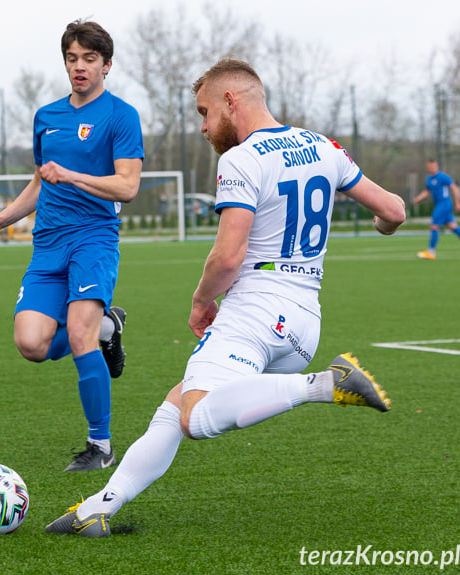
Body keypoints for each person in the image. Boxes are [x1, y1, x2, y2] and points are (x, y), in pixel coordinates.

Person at [46, 58, 406, 535]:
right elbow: (394, 210)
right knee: (175, 408)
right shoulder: (324, 147)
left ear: (231, 101)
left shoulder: (242, 157)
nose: (203, 126)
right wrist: (383, 226)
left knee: (194, 417)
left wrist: (200, 302)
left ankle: (324, 384)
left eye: (205, 112)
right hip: (303, 322)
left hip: (255, 311)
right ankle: (97, 510)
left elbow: (228, 256)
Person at [0, 20, 144, 471]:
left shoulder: (121, 115)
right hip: (47, 244)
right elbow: (39, 181)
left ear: (107, 64)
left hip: (93, 239)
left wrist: (72, 175)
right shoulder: (46, 116)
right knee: (32, 343)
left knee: (80, 332)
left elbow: (127, 187)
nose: (80, 67)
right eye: (72, 58)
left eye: (89, 59)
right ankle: (110, 328)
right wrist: (3, 219)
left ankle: (100, 447)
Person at [413, 159, 460, 260]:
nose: (432, 168)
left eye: (433, 166)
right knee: (452, 226)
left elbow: (454, 188)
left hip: (444, 204)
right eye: (430, 166)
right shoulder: (429, 179)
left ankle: (431, 252)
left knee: (434, 226)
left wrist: (458, 202)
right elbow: (427, 191)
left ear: (437, 166)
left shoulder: (443, 177)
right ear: (428, 167)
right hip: (439, 205)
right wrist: (418, 198)